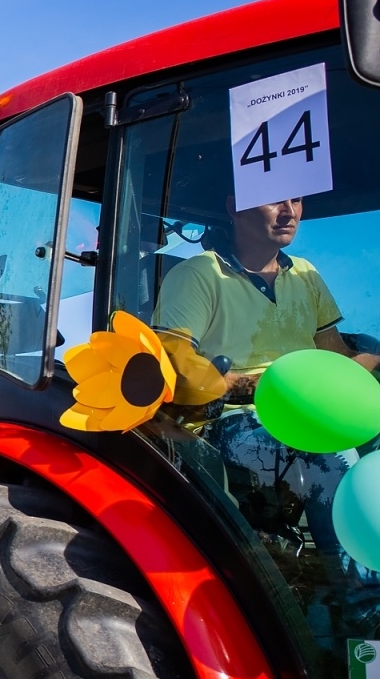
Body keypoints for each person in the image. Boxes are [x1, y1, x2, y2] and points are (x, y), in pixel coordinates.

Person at [155, 195, 380, 573]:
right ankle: (361, 605)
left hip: (310, 411)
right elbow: (173, 365)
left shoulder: (306, 274)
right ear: (233, 207)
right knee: (330, 457)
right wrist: (265, 386)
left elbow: (334, 353)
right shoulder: (199, 274)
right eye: (275, 200)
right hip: (231, 420)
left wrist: (368, 363)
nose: (289, 211)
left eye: (296, 200)